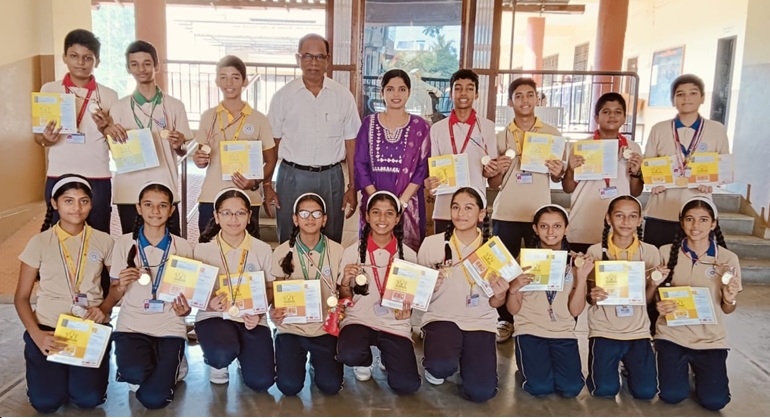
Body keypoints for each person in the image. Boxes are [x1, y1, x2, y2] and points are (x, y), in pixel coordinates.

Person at [14, 174, 118, 413]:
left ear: (91, 204)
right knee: (46, 403)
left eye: (84, 201)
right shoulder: (39, 242)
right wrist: (37, 335)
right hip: (49, 331)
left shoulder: (104, 241)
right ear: (55, 203)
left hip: (89, 329)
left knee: (88, 399)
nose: (76, 208)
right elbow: (21, 298)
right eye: (68, 200)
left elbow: (116, 286)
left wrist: (104, 308)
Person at [488, 77, 565, 342]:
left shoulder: (552, 135)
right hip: (506, 212)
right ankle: (504, 320)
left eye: (530, 95)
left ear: (537, 99)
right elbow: (494, 183)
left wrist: (559, 171)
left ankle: (532, 316)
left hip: (539, 214)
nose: (525, 100)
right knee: (505, 268)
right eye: (518, 95)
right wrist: (497, 170)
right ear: (510, 102)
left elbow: (558, 178)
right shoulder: (500, 136)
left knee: (536, 269)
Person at [267, 33, 361, 244]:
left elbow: (352, 143)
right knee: (289, 238)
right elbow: (272, 144)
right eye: (307, 56)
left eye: (320, 57)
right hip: (291, 176)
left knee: (331, 238)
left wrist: (353, 186)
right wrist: (267, 184)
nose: (314, 62)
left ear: (328, 60)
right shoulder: (283, 96)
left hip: (331, 177)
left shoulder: (342, 96)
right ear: (298, 58)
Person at [109, 182, 193, 409]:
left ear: (171, 210)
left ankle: (176, 364)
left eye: (162, 205)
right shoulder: (123, 243)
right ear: (138, 208)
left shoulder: (183, 247)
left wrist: (186, 310)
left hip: (169, 326)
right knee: (133, 374)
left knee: (154, 399)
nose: (155, 211)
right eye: (148, 205)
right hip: (131, 325)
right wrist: (121, 285)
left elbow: (189, 296)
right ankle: (157, 365)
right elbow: (114, 292)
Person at [654, 197, 741, 411]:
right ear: (681, 222)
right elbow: (657, 294)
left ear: (713, 223)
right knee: (672, 395)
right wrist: (659, 304)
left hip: (709, 339)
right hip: (672, 335)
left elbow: (728, 308)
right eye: (689, 219)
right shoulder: (664, 252)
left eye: (703, 220)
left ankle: (698, 372)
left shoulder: (728, 259)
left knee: (715, 401)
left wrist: (729, 297)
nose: (695, 225)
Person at [417, 187, 503, 402]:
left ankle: (467, 358)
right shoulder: (432, 244)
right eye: (456, 207)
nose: (460, 213)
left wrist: (501, 293)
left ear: (481, 214)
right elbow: (418, 296)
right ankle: (439, 364)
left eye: (468, 208)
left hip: (480, 321)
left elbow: (496, 302)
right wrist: (429, 286)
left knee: (481, 392)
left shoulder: (494, 250)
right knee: (441, 366)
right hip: (442, 317)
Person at [102, 40, 193, 236]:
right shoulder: (118, 107)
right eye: (134, 64)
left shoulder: (175, 105)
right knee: (133, 243)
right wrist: (109, 134)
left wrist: (178, 145)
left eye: (146, 63)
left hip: (164, 186)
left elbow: (182, 151)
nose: (141, 69)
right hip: (129, 190)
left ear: (156, 66)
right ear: (128, 68)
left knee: (171, 244)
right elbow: (113, 151)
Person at [336, 191, 421, 395]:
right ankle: (364, 361)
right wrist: (345, 281)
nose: (382, 219)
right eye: (376, 212)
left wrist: (407, 311)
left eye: (389, 213)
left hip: (394, 324)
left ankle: (386, 355)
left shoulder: (409, 255)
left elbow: (412, 299)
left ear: (397, 218)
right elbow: (345, 298)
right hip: (359, 319)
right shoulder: (352, 252)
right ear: (367, 216)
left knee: (407, 386)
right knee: (349, 354)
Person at [36, 29, 118, 234]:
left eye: (87, 58)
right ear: (64, 57)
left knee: (98, 234)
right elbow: (39, 138)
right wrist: (46, 139)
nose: (80, 62)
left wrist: (106, 128)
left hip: (97, 174)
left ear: (97, 61)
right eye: (74, 56)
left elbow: (116, 145)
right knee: (58, 234)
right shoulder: (49, 90)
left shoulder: (109, 95)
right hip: (59, 173)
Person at [505, 204, 592, 398]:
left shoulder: (576, 262)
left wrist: (581, 278)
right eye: (544, 226)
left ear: (566, 228)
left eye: (557, 226)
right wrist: (514, 288)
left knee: (571, 388)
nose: (551, 232)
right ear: (535, 229)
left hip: (563, 332)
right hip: (530, 330)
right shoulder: (523, 261)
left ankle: (540, 368)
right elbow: (513, 310)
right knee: (539, 387)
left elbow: (575, 311)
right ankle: (528, 369)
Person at [193, 188, 275, 390]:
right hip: (214, 316)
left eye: (240, 213)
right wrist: (209, 303)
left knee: (261, 382)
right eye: (226, 213)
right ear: (216, 216)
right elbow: (193, 292)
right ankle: (218, 362)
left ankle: (242, 355)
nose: (233, 219)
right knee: (221, 354)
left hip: (251, 318)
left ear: (249, 216)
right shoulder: (202, 249)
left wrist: (259, 312)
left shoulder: (262, 249)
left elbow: (271, 287)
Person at [584, 195, 665, 399]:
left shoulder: (650, 252)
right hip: (604, 328)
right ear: (608, 218)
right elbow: (590, 299)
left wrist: (653, 285)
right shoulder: (595, 251)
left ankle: (629, 366)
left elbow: (648, 300)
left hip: (637, 330)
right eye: (619, 215)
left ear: (640, 220)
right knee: (604, 390)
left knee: (646, 392)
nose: (626, 221)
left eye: (632, 216)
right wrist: (594, 295)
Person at [643, 74, 731, 247]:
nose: (686, 98)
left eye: (693, 93)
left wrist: (711, 182)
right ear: (673, 100)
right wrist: (653, 182)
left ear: (702, 98)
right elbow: (647, 165)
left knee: (695, 261)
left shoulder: (717, 130)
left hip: (698, 214)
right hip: (661, 211)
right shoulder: (659, 129)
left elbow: (723, 168)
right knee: (657, 261)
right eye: (680, 94)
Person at [193, 56, 278, 235]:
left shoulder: (259, 119)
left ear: (245, 81)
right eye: (223, 77)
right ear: (217, 81)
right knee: (209, 248)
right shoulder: (208, 116)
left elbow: (270, 160)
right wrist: (199, 159)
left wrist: (255, 181)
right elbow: (202, 158)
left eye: (235, 77)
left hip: (247, 198)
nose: (229, 83)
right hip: (212, 196)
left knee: (246, 250)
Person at [270, 193, 345, 396]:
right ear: (295, 219)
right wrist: (273, 312)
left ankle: (316, 363)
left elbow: (343, 290)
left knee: (330, 386)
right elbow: (275, 292)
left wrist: (342, 305)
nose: (310, 218)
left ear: (324, 219)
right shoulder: (282, 251)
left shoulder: (338, 251)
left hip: (324, 329)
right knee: (289, 387)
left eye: (316, 213)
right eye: (304, 213)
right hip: (291, 328)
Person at [354, 69, 431, 251]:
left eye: (402, 89)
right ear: (382, 93)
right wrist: (377, 201)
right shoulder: (369, 123)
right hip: (373, 198)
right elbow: (360, 164)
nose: (396, 94)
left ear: (409, 93)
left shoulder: (421, 127)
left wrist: (400, 203)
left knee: (407, 256)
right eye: (390, 89)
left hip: (409, 202)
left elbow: (422, 169)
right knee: (372, 252)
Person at [562, 93, 644, 254]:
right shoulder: (580, 146)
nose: (612, 116)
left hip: (619, 233)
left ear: (624, 118)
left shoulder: (633, 148)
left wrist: (636, 173)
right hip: (582, 226)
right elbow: (568, 188)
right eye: (606, 111)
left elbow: (635, 193)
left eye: (617, 112)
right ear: (596, 117)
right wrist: (570, 170)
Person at [425, 69, 499, 235]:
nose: (463, 93)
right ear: (451, 94)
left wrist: (492, 171)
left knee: (473, 251)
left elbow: (492, 176)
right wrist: (431, 183)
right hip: (444, 209)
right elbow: (433, 171)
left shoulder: (487, 127)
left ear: (477, 94)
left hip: (474, 210)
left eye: (469, 88)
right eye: (458, 88)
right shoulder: (437, 129)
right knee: (442, 251)